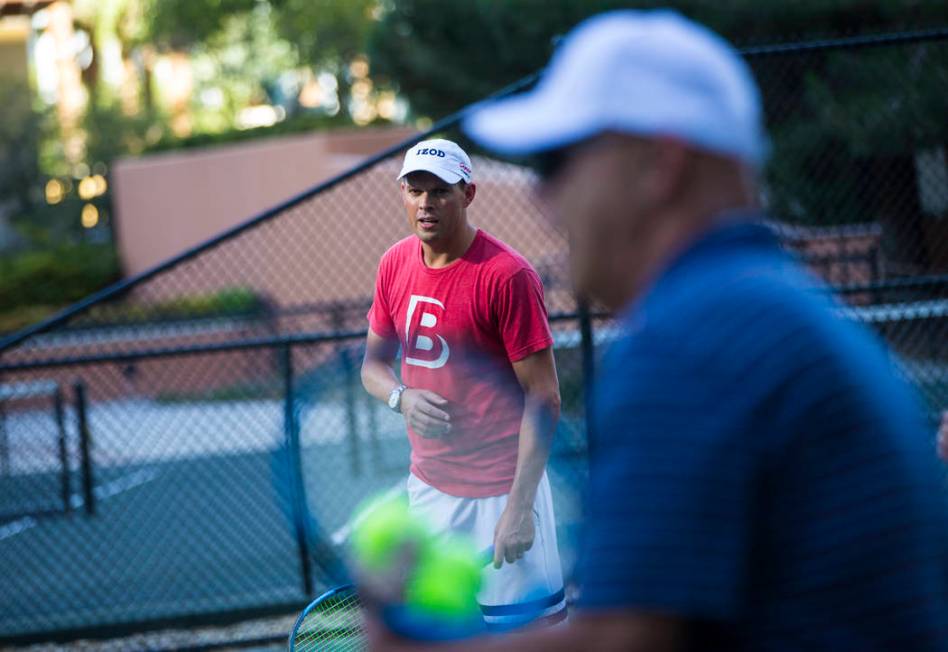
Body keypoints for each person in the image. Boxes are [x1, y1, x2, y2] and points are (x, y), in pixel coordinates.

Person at [367, 10, 948, 651]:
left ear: (658, 165)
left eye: (558, 161)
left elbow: (626, 641)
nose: (544, 197)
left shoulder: (693, 341)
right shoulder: (763, 306)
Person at [360, 138, 568, 628]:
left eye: (440, 191)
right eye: (415, 190)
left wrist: (519, 510)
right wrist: (401, 397)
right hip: (431, 490)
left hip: (504, 492)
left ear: (468, 194)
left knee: (526, 637)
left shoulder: (508, 276)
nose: (425, 204)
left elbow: (546, 398)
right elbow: (372, 368)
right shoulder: (394, 263)